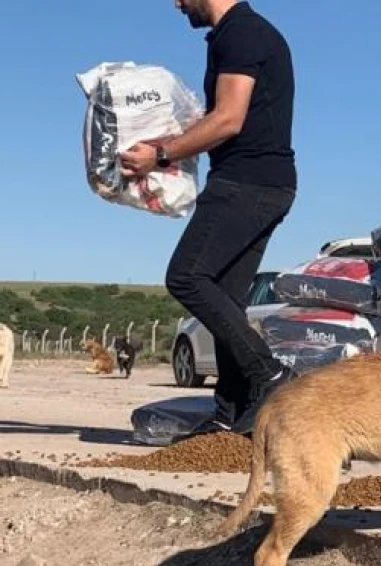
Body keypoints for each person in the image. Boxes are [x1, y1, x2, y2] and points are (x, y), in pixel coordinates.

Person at [119, 0, 298, 436]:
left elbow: (228, 119)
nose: (176, 3)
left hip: (246, 183)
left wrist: (160, 155)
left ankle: (271, 375)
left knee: (187, 277)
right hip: (264, 183)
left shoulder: (243, 32)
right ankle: (231, 415)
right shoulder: (237, 34)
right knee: (225, 298)